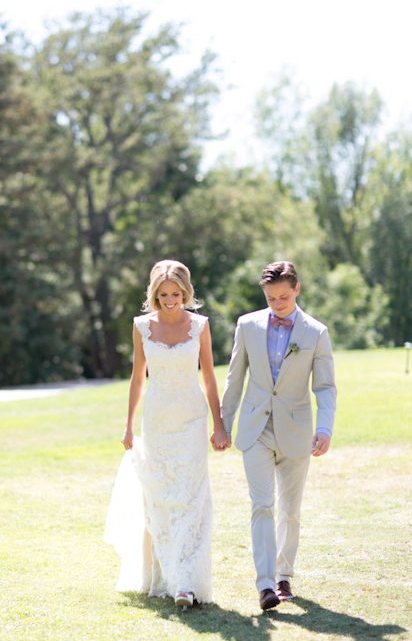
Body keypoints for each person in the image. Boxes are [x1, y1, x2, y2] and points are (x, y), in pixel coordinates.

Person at [104, 260, 228, 607]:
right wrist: (128, 425)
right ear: (154, 294)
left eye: (176, 293)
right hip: (156, 422)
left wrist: (218, 424)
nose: (170, 300)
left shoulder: (200, 326)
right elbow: (137, 378)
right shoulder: (142, 327)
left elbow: (209, 377)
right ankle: (164, 574)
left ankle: (186, 583)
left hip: (191, 420)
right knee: (159, 497)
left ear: (186, 293)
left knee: (190, 499)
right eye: (163, 294)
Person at [219, 261, 336, 611]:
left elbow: (326, 387)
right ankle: (266, 585)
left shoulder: (316, 332)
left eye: (283, 297)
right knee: (262, 505)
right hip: (255, 429)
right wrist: (224, 423)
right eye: (270, 298)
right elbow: (234, 378)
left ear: (297, 289)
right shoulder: (247, 325)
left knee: (291, 510)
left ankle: (285, 573)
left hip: (297, 431)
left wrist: (325, 428)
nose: (277, 303)